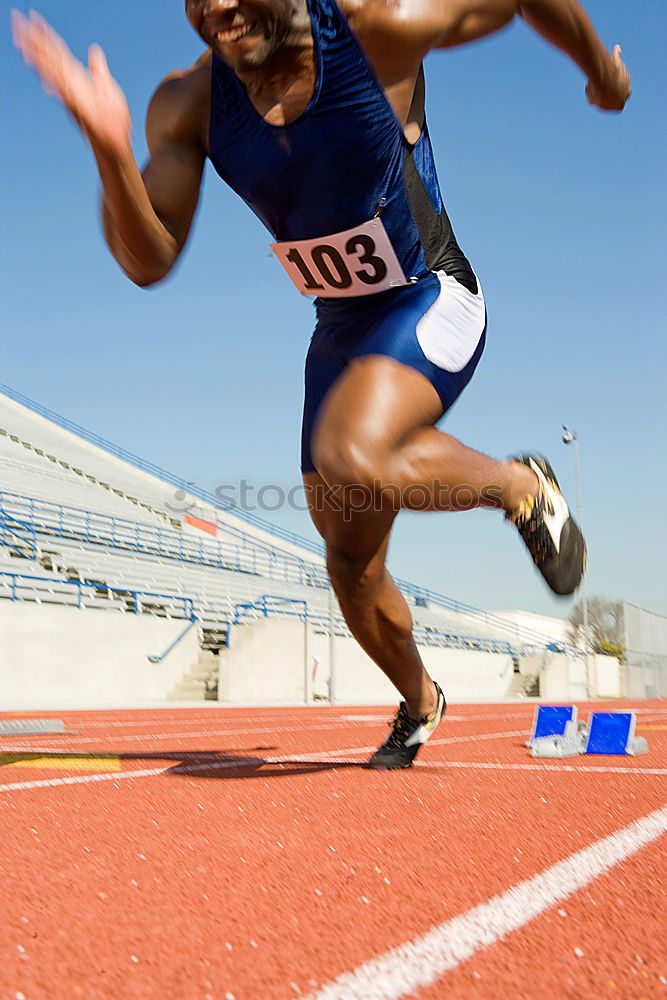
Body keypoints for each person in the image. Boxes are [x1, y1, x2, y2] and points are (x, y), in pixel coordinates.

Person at [12, 1, 630, 769]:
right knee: (349, 563)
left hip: (429, 295)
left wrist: (599, 69)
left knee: (351, 452)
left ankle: (521, 486)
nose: (217, 7)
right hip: (338, 333)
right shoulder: (187, 102)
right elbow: (149, 259)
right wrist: (107, 148)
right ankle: (419, 701)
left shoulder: (378, 28)